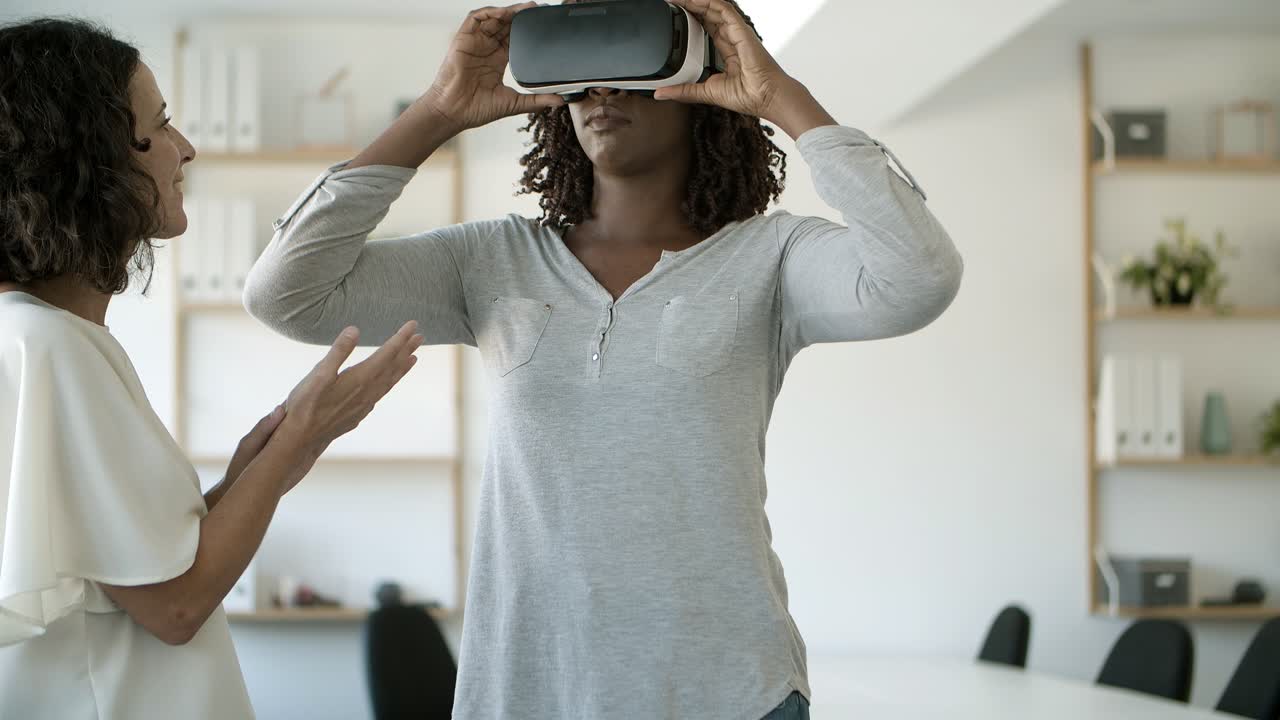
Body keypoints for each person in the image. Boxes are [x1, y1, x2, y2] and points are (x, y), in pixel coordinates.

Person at [245, 0, 964, 717]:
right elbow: (288, 295)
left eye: (632, 58)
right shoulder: (490, 260)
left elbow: (919, 277)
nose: (603, 91)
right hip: (528, 691)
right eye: (583, 69)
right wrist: (438, 110)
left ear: (699, 79)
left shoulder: (771, 259)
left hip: (728, 694)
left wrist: (781, 97)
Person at [0, 18, 422, 719]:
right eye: (159, 126)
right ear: (86, 156)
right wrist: (298, 438)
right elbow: (175, 608)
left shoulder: (50, 339)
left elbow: (144, 571)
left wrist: (270, 464)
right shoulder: (49, 348)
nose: (185, 149)